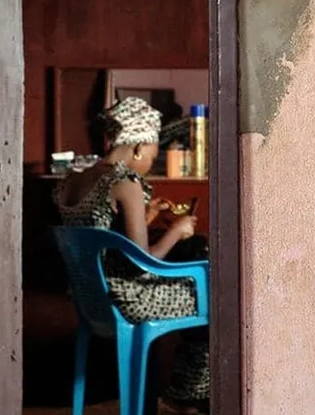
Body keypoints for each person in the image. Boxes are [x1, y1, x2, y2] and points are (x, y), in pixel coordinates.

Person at [55, 97, 210, 415]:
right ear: (138, 148)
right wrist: (177, 230)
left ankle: (167, 398)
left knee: (198, 288)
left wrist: (147, 217)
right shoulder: (125, 184)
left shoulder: (74, 180)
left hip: (92, 297)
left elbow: (100, 231)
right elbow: (145, 262)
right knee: (214, 299)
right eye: (150, 158)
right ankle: (185, 398)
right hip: (128, 297)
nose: (147, 166)